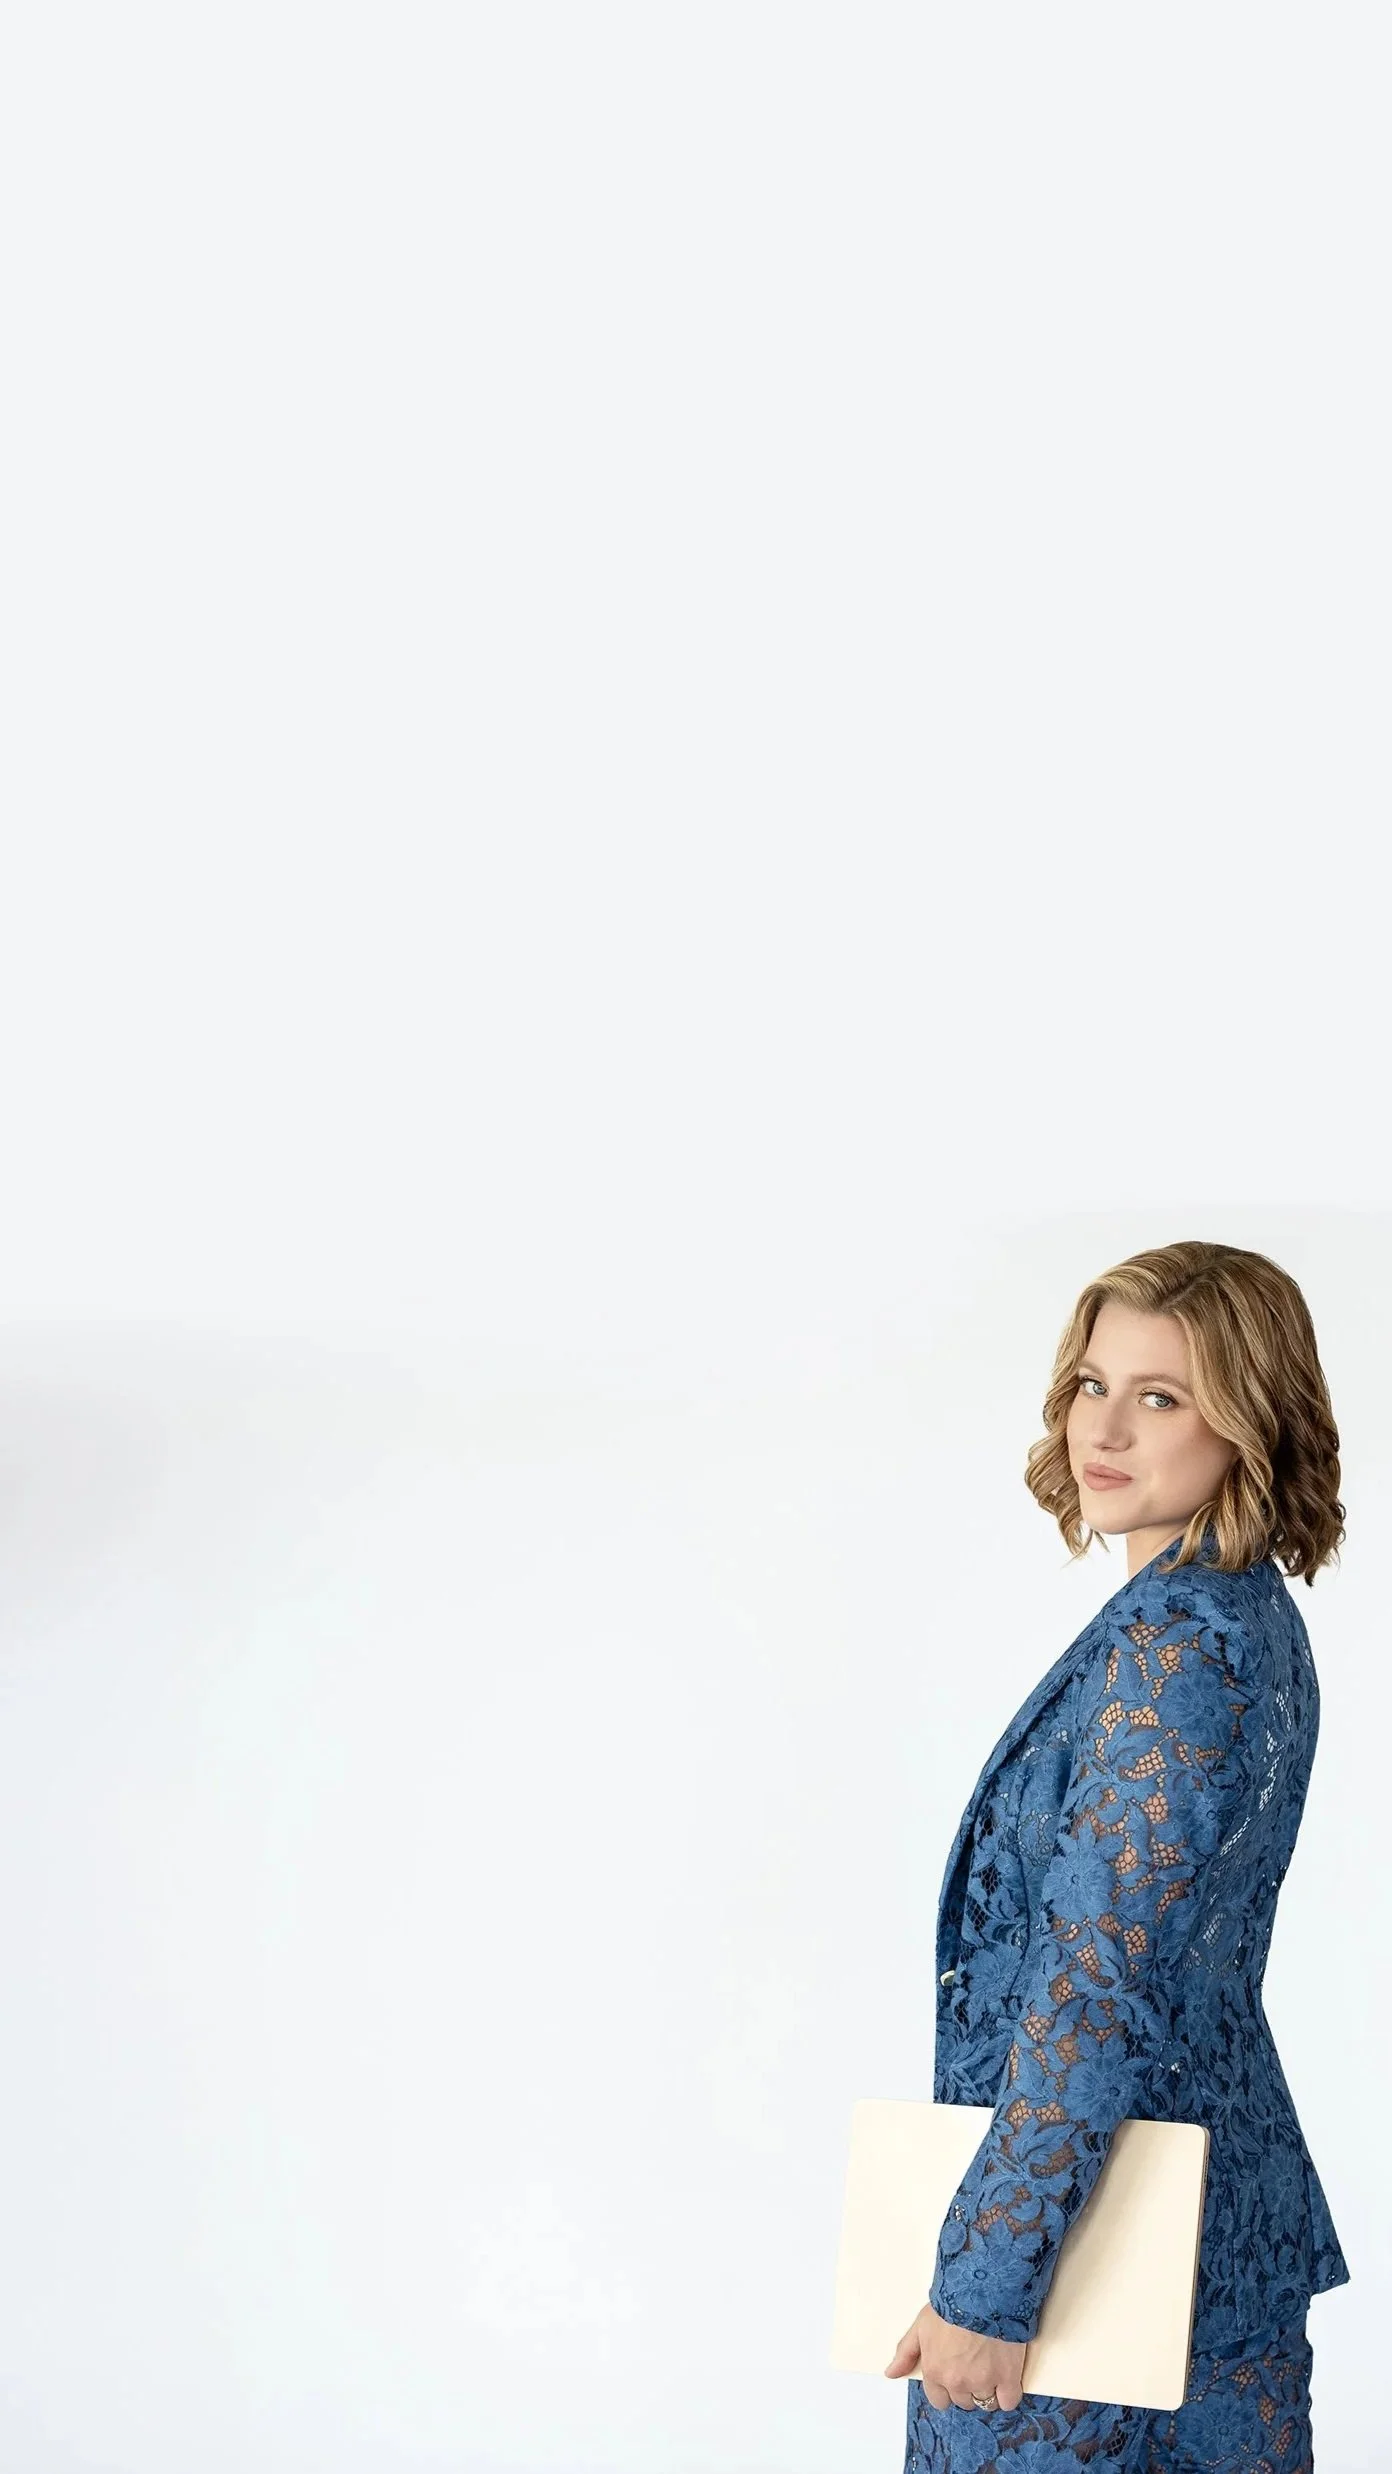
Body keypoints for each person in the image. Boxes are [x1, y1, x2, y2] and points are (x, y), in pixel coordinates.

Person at [885, 1239, 1351, 2470]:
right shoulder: (1249, 1618)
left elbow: (1099, 1984)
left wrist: (986, 2285)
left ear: (1249, 1422)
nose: (1105, 1427)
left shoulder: (1177, 1647)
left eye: (1162, 1396)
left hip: (1098, 2267)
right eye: (1095, 1383)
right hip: (1216, 2233)